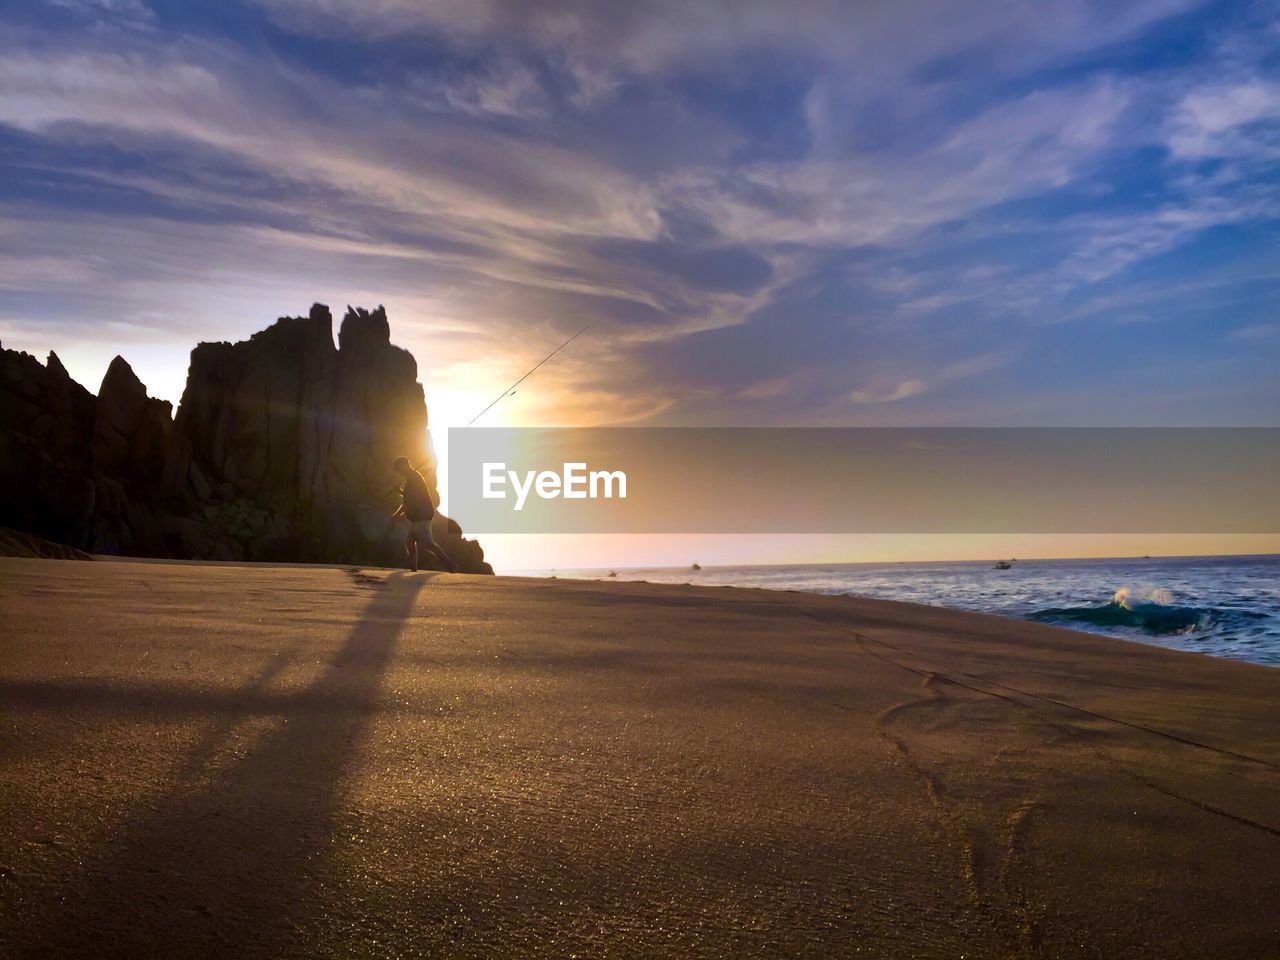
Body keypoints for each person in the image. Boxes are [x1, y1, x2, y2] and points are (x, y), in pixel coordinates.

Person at [391, 457, 457, 573]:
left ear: (404, 466)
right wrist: (400, 491)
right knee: (410, 542)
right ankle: (413, 568)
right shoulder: (412, 478)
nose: (397, 471)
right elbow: (408, 497)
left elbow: (409, 501)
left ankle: (450, 564)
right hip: (417, 517)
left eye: (398, 468)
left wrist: (397, 515)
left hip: (422, 516)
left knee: (428, 544)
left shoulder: (413, 479)